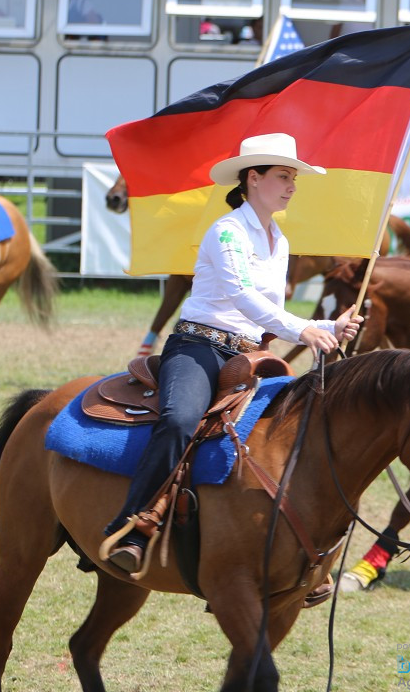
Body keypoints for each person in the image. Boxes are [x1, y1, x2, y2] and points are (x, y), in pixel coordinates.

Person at [103, 132, 363, 576]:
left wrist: (328, 326)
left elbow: (271, 311)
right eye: (283, 176)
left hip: (248, 355)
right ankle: (131, 526)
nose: (292, 186)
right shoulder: (226, 230)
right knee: (180, 420)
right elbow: (243, 297)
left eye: (293, 177)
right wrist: (303, 329)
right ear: (253, 178)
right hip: (198, 347)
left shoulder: (278, 239)